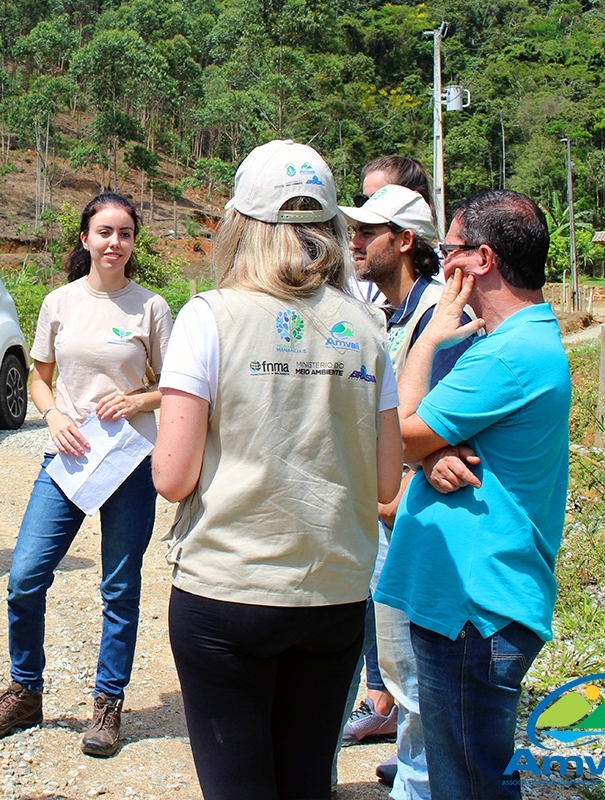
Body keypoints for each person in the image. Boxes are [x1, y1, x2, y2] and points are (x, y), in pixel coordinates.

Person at [152, 140, 403, 800]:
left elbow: (173, 478)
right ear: (332, 231)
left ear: (243, 223)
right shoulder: (369, 327)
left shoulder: (209, 317)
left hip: (228, 593)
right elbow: (384, 483)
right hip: (334, 594)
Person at [375, 189, 570, 800]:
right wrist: (433, 453)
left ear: (480, 260)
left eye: (449, 251)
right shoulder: (519, 340)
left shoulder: (507, 356)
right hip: (473, 600)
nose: (442, 264)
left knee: (468, 784)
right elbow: (420, 443)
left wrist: (430, 339)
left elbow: (396, 432)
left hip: (474, 604)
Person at [0, 193, 172, 758]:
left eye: (125, 233)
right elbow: (39, 378)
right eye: (104, 232)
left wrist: (136, 401)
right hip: (69, 458)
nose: (114, 243)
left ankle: (108, 704)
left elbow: (176, 386)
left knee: (119, 587)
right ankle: (25, 689)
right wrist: (53, 414)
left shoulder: (151, 307)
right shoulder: (59, 302)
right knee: (25, 577)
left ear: (134, 242)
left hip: (129, 461)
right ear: (84, 238)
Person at [338, 184, 476, 799]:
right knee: (398, 669)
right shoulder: (389, 314)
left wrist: (423, 461)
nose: (356, 241)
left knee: (415, 672)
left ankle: (421, 785)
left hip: (407, 519)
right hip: (385, 511)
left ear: (405, 242)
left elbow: (435, 429)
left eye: (370, 231)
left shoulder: (438, 320)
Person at [350, 155, 434, 308]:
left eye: (379, 197)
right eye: (363, 200)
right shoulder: (358, 280)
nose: (353, 244)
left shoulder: (440, 307)